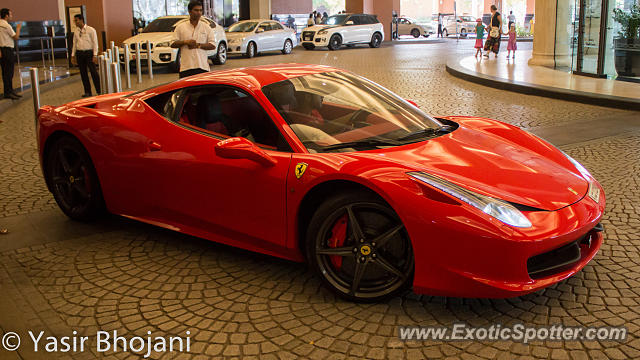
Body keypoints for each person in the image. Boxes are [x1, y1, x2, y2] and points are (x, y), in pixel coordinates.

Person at [171, 0, 216, 79]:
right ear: (189, 11)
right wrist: (185, 42)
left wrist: (198, 45)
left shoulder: (206, 27)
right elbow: (173, 44)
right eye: (196, 10)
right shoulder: (181, 27)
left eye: (200, 10)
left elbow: (213, 45)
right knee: (186, 91)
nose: (199, 13)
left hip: (202, 67)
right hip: (186, 68)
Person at [71, 14, 100, 97]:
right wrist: (73, 55)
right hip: (80, 53)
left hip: (89, 53)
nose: (75, 22)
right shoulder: (76, 31)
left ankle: (99, 90)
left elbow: (95, 43)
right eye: (74, 21)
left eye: (76, 20)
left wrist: (95, 55)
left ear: (81, 20)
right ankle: (88, 92)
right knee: (83, 73)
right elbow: (74, 43)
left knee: (93, 72)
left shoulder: (91, 30)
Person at [0, 8, 22, 100]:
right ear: (6, 16)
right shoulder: (6, 25)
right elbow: (16, 37)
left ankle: (9, 91)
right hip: (7, 50)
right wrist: (18, 28)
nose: (11, 16)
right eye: (10, 14)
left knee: (5, 72)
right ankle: (8, 92)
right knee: (9, 72)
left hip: (1, 50)